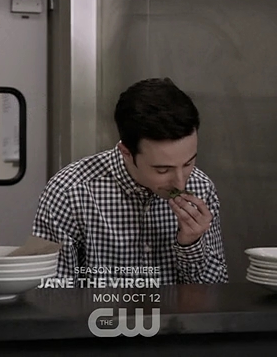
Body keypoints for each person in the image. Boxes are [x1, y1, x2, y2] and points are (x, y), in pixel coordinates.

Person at [32, 78, 228, 285]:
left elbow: (215, 292)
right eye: (162, 169)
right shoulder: (67, 192)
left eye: (188, 163)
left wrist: (192, 244)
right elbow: (51, 289)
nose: (180, 183)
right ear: (126, 152)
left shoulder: (201, 187)